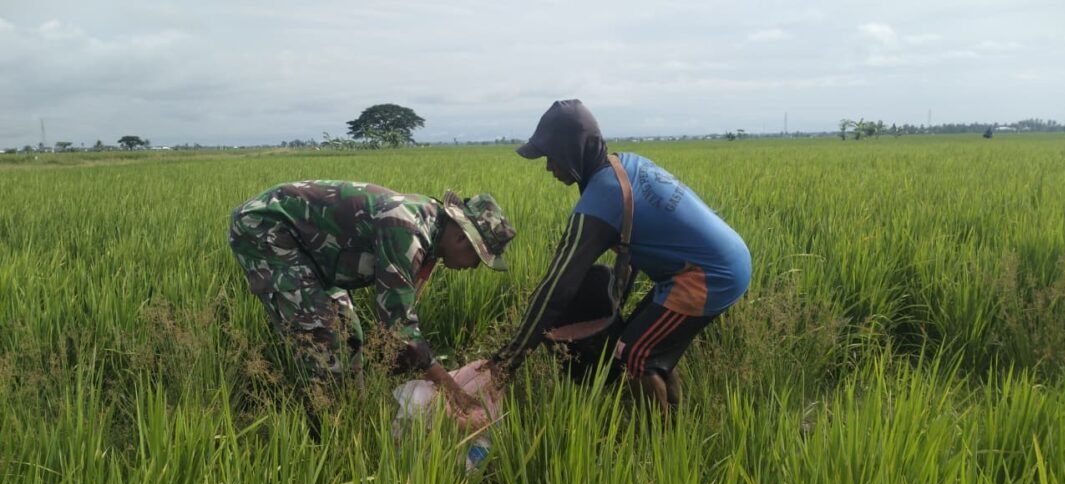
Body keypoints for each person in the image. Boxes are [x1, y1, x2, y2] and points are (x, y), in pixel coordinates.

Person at [487, 99, 751, 417]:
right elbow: (637, 242)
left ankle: (658, 438)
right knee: (647, 344)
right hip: (712, 262)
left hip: (709, 275)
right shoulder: (623, 165)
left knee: (635, 354)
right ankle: (675, 423)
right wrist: (618, 300)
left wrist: (507, 361)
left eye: (551, 156)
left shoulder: (601, 200)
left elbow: (556, 288)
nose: (549, 167)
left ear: (572, 151)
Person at [229, 180, 515, 436]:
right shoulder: (408, 231)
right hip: (267, 228)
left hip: (313, 253)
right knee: (323, 339)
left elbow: (398, 322)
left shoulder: (432, 231)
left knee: (350, 334)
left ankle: (354, 416)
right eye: (477, 258)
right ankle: (327, 435)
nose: (473, 267)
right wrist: (453, 392)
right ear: (462, 239)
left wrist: (404, 362)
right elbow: (399, 327)